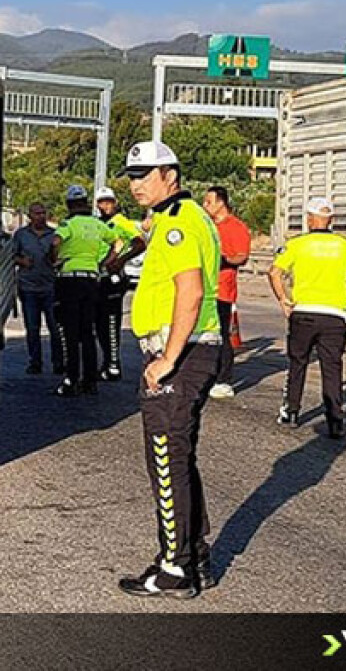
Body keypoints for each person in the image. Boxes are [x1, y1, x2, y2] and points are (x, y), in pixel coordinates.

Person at [117, 141, 221, 599]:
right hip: (190, 352)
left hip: (181, 355)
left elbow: (191, 292)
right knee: (179, 459)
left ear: (170, 175)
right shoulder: (176, 219)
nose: (136, 183)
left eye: (146, 174)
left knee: (165, 460)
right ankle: (193, 556)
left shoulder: (179, 223)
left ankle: (175, 568)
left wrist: (167, 360)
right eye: (132, 175)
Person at [268, 197, 346, 439]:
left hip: (304, 313)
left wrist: (284, 299)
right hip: (334, 316)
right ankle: (335, 420)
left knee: (298, 362)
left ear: (309, 219)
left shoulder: (297, 244)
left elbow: (274, 272)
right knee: (332, 367)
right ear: (331, 220)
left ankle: (291, 411)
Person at [49, 185, 117, 396]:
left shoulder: (68, 225)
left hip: (69, 281)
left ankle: (71, 379)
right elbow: (118, 242)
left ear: (69, 205)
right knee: (88, 333)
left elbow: (55, 242)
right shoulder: (97, 225)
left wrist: (55, 260)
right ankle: (90, 382)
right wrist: (103, 263)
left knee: (70, 332)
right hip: (91, 280)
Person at [202, 186, 252, 399]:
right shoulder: (208, 226)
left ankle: (224, 380)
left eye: (208, 202)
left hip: (222, 291)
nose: (205, 206)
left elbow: (241, 256)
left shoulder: (236, 227)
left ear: (221, 202)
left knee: (222, 336)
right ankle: (206, 375)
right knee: (204, 336)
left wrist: (224, 259)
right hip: (203, 291)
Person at [94, 187, 146, 381]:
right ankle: (106, 363)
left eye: (109, 201)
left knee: (111, 321)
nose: (105, 205)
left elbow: (140, 243)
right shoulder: (100, 223)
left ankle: (114, 365)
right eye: (102, 202)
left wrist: (122, 260)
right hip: (100, 277)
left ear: (115, 202)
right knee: (100, 324)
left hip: (114, 277)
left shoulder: (121, 222)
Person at [10, 203, 63, 376]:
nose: (40, 216)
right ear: (30, 216)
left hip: (50, 287)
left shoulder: (54, 234)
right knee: (32, 328)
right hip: (28, 287)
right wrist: (21, 261)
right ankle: (35, 363)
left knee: (55, 328)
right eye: (37, 213)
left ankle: (58, 363)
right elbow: (11, 255)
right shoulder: (21, 235)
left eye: (43, 213)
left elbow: (61, 256)